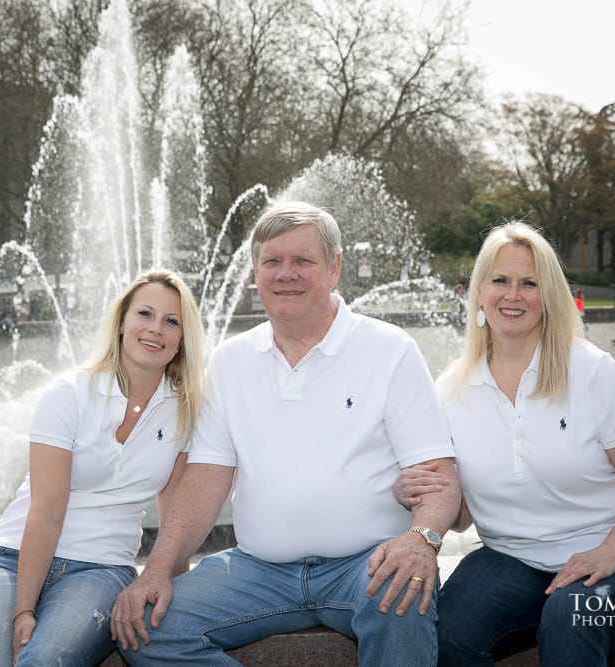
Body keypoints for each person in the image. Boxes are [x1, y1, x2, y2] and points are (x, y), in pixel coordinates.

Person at [111, 202, 460, 666]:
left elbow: (437, 472)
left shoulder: (390, 350)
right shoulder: (231, 361)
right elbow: (206, 479)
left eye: (302, 261)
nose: (285, 274)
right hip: (257, 571)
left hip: (363, 566)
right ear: (255, 271)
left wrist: (421, 539)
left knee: (402, 592)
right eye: (272, 262)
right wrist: (155, 570)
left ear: (334, 268)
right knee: (146, 629)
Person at [394, 221, 615, 665]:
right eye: (501, 281)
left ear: (547, 297)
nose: (513, 295)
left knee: (570, 615)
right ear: (479, 293)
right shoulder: (450, 391)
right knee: (446, 631)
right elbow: (462, 517)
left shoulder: (591, 372)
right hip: (514, 560)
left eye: (529, 283)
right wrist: (414, 493)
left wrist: (608, 552)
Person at [0, 270, 206, 667]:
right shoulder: (69, 394)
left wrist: (168, 590)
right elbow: (47, 509)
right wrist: (24, 609)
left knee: (39, 662)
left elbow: (175, 512)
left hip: (101, 569)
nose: (155, 329)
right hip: (11, 555)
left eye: (171, 321)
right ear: (122, 322)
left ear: (181, 340)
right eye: (144, 313)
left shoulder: (185, 413)